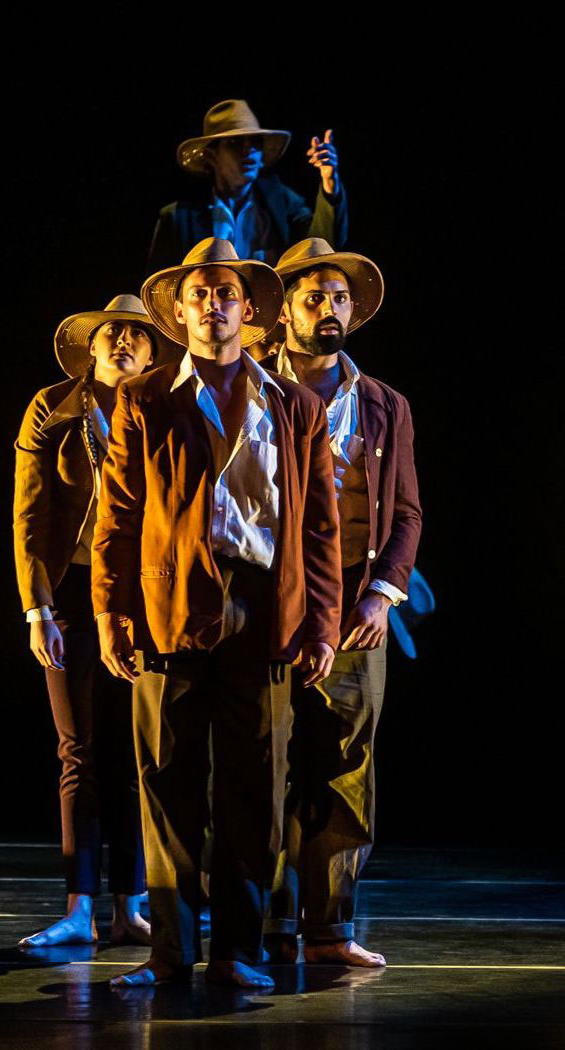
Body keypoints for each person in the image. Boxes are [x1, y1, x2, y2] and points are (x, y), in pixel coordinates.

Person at [92, 238, 342, 989]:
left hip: (264, 609)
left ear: (248, 308)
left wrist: (323, 622)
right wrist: (111, 615)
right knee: (166, 781)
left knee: (254, 788)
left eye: (224, 293)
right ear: (177, 310)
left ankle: (239, 950)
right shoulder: (145, 399)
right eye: (198, 294)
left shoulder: (293, 405)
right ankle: (170, 954)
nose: (212, 305)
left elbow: (323, 526)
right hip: (171, 607)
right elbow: (117, 519)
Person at [264, 238, 422, 967]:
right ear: (287, 310)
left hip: (358, 613)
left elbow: (407, 514)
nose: (329, 309)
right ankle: (263, 922)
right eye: (314, 297)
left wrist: (383, 595)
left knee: (347, 765)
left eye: (339, 297)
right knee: (261, 765)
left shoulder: (385, 404)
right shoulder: (255, 389)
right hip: (270, 608)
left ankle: (329, 928)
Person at [14, 295, 175, 948]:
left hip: (142, 595)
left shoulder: (166, 406)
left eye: (137, 336)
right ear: (92, 345)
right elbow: (29, 514)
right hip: (71, 593)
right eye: (113, 334)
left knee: (136, 752)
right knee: (78, 749)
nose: (123, 345)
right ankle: (79, 907)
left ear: (153, 350)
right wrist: (37, 608)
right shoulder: (52, 407)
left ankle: (129, 904)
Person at [148, 99, 348, 271]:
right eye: (235, 142)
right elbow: (158, 290)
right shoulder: (178, 219)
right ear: (211, 155)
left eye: (255, 142)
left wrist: (329, 182)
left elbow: (322, 248)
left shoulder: (282, 202)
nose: (248, 150)